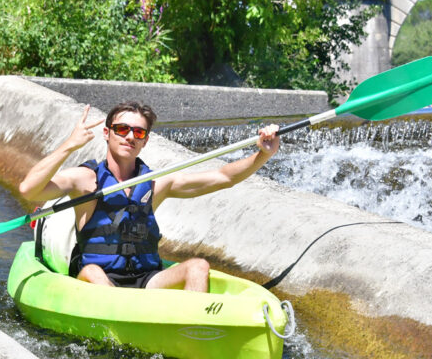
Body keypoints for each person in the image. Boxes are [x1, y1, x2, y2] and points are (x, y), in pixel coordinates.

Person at [19, 101, 280, 292]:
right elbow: (28, 189)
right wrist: (69, 145)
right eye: (122, 129)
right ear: (107, 133)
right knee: (93, 272)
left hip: (146, 279)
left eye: (139, 133)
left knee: (198, 266)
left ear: (145, 141)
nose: (130, 136)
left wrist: (263, 155)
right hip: (98, 281)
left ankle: (194, 335)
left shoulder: (156, 183)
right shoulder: (85, 179)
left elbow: (225, 177)